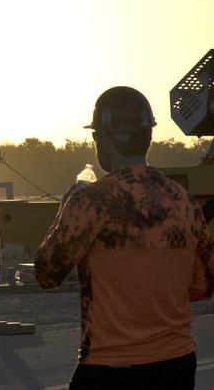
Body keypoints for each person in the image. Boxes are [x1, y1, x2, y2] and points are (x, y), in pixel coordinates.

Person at [34, 86, 214, 389]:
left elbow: (47, 273)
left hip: (112, 368)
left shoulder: (92, 201)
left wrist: (68, 205)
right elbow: (203, 284)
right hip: (178, 363)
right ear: (148, 137)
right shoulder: (184, 201)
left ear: (102, 139)